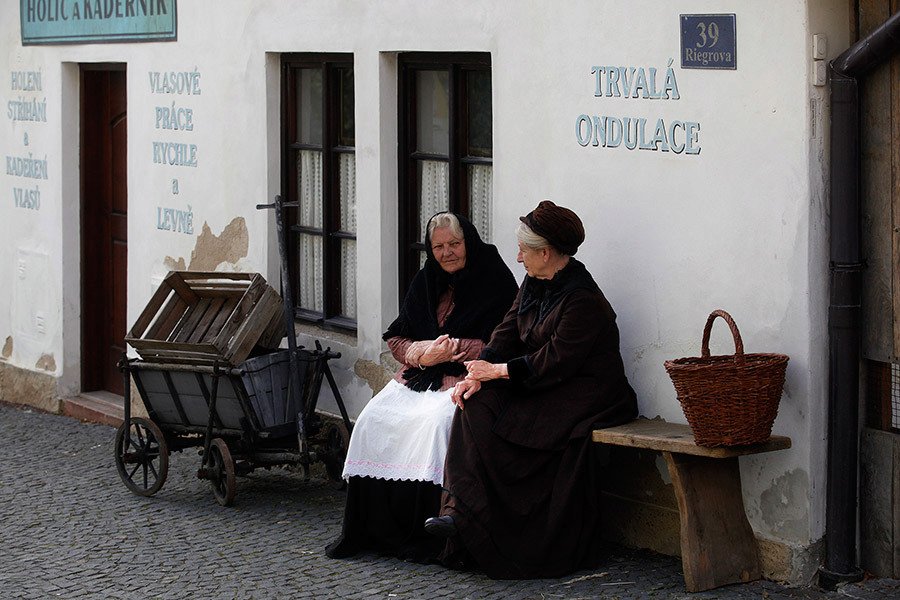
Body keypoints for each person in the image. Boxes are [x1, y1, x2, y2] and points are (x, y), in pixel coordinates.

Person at [424, 200, 639, 578]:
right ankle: (461, 516)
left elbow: (556, 361)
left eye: (524, 250)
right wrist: (478, 372)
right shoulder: (535, 281)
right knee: (474, 403)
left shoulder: (583, 301)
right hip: (538, 381)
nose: (518, 257)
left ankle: (514, 532)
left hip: (585, 392)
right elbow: (507, 329)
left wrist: (498, 371)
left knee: (521, 422)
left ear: (546, 253)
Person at [325, 212, 518, 561]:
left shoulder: (494, 277)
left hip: (468, 377)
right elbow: (398, 336)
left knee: (435, 424)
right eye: (439, 247)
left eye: (455, 244)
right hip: (422, 374)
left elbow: (508, 338)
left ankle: (429, 534)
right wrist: (421, 353)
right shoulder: (426, 279)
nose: (447, 253)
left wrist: (457, 347)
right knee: (372, 418)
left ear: (468, 242)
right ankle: (371, 531)